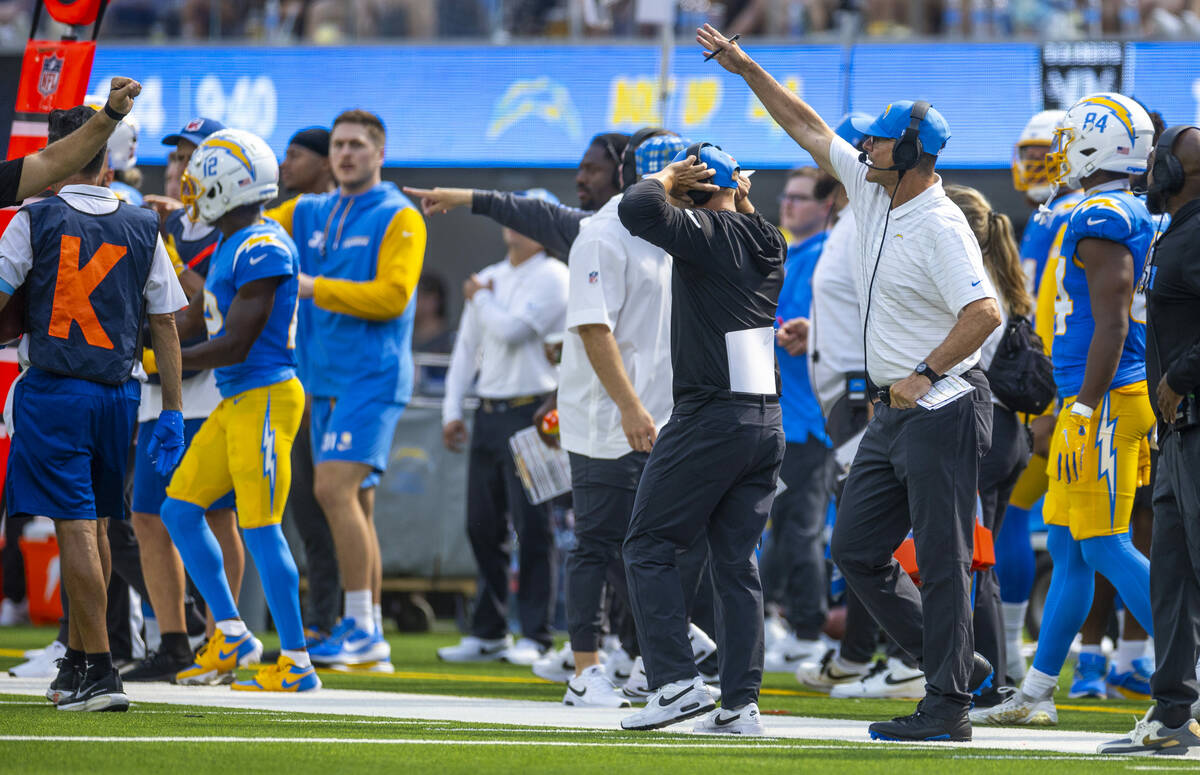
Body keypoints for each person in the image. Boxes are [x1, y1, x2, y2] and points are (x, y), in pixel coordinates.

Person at [698, 26, 1001, 742]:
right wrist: (746, 66)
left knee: (943, 558)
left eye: (877, 142)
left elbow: (984, 311)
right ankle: (955, 662)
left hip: (941, 404)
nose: (862, 149)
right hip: (895, 408)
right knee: (857, 548)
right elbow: (804, 124)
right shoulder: (877, 192)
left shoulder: (940, 223)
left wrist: (925, 373)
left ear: (909, 155)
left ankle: (948, 704)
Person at [971, 92, 1157, 728]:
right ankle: (1038, 691)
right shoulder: (1127, 209)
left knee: (1104, 547)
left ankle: (1182, 678)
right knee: (1076, 552)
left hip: (1100, 400)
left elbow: (1110, 322)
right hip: (1103, 397)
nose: (1057, 153)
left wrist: (1079, 405)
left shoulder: (1102, 214)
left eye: (1069, 138)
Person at [0, 97, 187, 712]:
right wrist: (174, 410)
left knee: (74, 528)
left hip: (56, 386)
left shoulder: (35, 216)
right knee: (100, 525)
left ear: (58, 158)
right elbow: (166, 323)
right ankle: (81, 659)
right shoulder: (143, 223)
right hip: (122, 391)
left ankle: (101, 670)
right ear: (106, 161)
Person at [617, 143, 785, 735]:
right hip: (764, 418)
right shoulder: (768, 236)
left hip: (713, 415)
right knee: (737, 564)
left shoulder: (712, 232)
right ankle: (741, 703)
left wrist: (663, 176)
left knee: (648, 545)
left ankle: (675, 682)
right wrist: (732, 187)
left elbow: (635, 208)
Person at [159, 128, 317, 693]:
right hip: (237, 396)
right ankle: (230, 630)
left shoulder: (262, 245)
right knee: (179, 509)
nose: (189, 187)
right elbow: (209, 324)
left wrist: (166, 362)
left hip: (267, 395)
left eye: (200, 177)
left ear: (229, 184)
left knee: (260, 525)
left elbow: (239, 342)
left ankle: (296, 661)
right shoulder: (233, 242)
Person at [272, 110, 426, 670]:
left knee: (333, 491)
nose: (345, 153)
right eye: (338, 144)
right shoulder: (310, 208)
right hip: (322, 379)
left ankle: (360, 629)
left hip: (372, 376)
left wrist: (314, 287)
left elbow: (392, 297)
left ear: (379, 154)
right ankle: (368, 631)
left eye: (358, 145)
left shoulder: (400, 215)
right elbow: (251, 225)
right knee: (354, 503)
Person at [554, 134, 692, 707]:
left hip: (660, 414)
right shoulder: (602, 233)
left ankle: (643, 659)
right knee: (596, 542)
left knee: (649, 544)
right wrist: (630, 406)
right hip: (607, 417)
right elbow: (594, 327)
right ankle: (584, 670)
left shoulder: (670, 231)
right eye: (684, 182)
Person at [124, 115, 241, 683]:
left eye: (192, 158)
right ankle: (174, 639)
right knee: (146, 515)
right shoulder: (151, 222)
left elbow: (208, 305)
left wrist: (170, 248)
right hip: (157, 393)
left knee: (217, 514)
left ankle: (226, 637)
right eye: (174, 159)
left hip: (208, 392)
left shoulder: (230, 229)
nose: (179, 169)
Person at [1099, 124, 1200, 756]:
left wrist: (1182, 376)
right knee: (1171, 576)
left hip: (1194, 416)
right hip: (1178, 431)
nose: (1150, 168)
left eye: (1162, 159)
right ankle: (1172, 714)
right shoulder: (1174, 233)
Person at [437, 189, 568, 666]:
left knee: (534, 526)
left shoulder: (555, 276)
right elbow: (466, 352)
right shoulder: (489, 278)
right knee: (481, 524)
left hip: (533, 412)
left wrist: (481, 301)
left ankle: (535, 633)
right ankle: (489, 629)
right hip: (489, 410)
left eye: (527, 216)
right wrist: (452, 410)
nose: (515, 224)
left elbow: (515, 331)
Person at [996, 108, 1083, 688]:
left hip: (1062, 395)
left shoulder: (1068, 215)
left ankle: (1009, 654)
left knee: (1085, 539)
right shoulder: (1044, 217)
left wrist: (1052, 403)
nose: (1032, 164)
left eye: (1043, 152)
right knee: (1075, 540)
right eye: (1026, 153)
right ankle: (1032, 668)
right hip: (1060, 391)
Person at [944, 183, 1035, 707]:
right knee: (983, 561)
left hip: (984, 432)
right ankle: (990, 677)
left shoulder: (975, 285)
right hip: (1005, 433)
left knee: (972, 562)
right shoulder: (997, 275)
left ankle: (988, 681)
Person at [263, 126, 342, 642]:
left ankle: (340, 618)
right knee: (303, 508)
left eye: (296, 155)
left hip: (338, 382)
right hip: (299, 375)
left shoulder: (352, 213)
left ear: (325, 163)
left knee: (331, 506)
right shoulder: (299, 215)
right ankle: (323, 616)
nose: (284, 164)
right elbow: (252, 224)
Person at [761, 166, 836, 673]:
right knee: (777, 526)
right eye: (785, 197)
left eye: (801, 197)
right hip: (779, 413)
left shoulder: (829, 254)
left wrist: (813, 332)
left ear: (827, 204)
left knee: (802, 527)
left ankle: (809, 627)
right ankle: (780, 619)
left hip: (811, 417)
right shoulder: (787, 252)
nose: (789, 205)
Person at [402, 132, 632, 262]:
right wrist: (466, 197)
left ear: (623, 174)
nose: (580, 179)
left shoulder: (648, 232)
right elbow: (540, 215)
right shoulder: (592, 227)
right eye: (581, 169)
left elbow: (541, 215)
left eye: (593, 170)